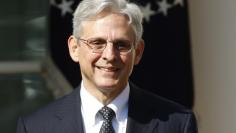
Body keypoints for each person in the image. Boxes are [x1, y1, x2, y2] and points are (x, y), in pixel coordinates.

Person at [16, 0, 197, 133]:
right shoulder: (35, 128)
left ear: (138, 51)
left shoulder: (177, 124)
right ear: (74, 48)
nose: (109, 55)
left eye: (121, 45)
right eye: (97, 43)